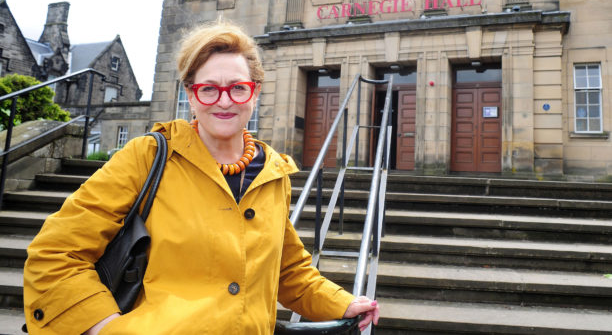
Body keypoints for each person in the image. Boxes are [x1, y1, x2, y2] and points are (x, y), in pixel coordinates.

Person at [23, 21, 380, 334]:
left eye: (238, 88)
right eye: (209, 89)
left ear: (254, 93)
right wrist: (105, 328)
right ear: (191, 96)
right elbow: (55, 253)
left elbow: (289, 272)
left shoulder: (273, 173)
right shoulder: (147, 156)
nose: (224, 101)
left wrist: (341, 304)